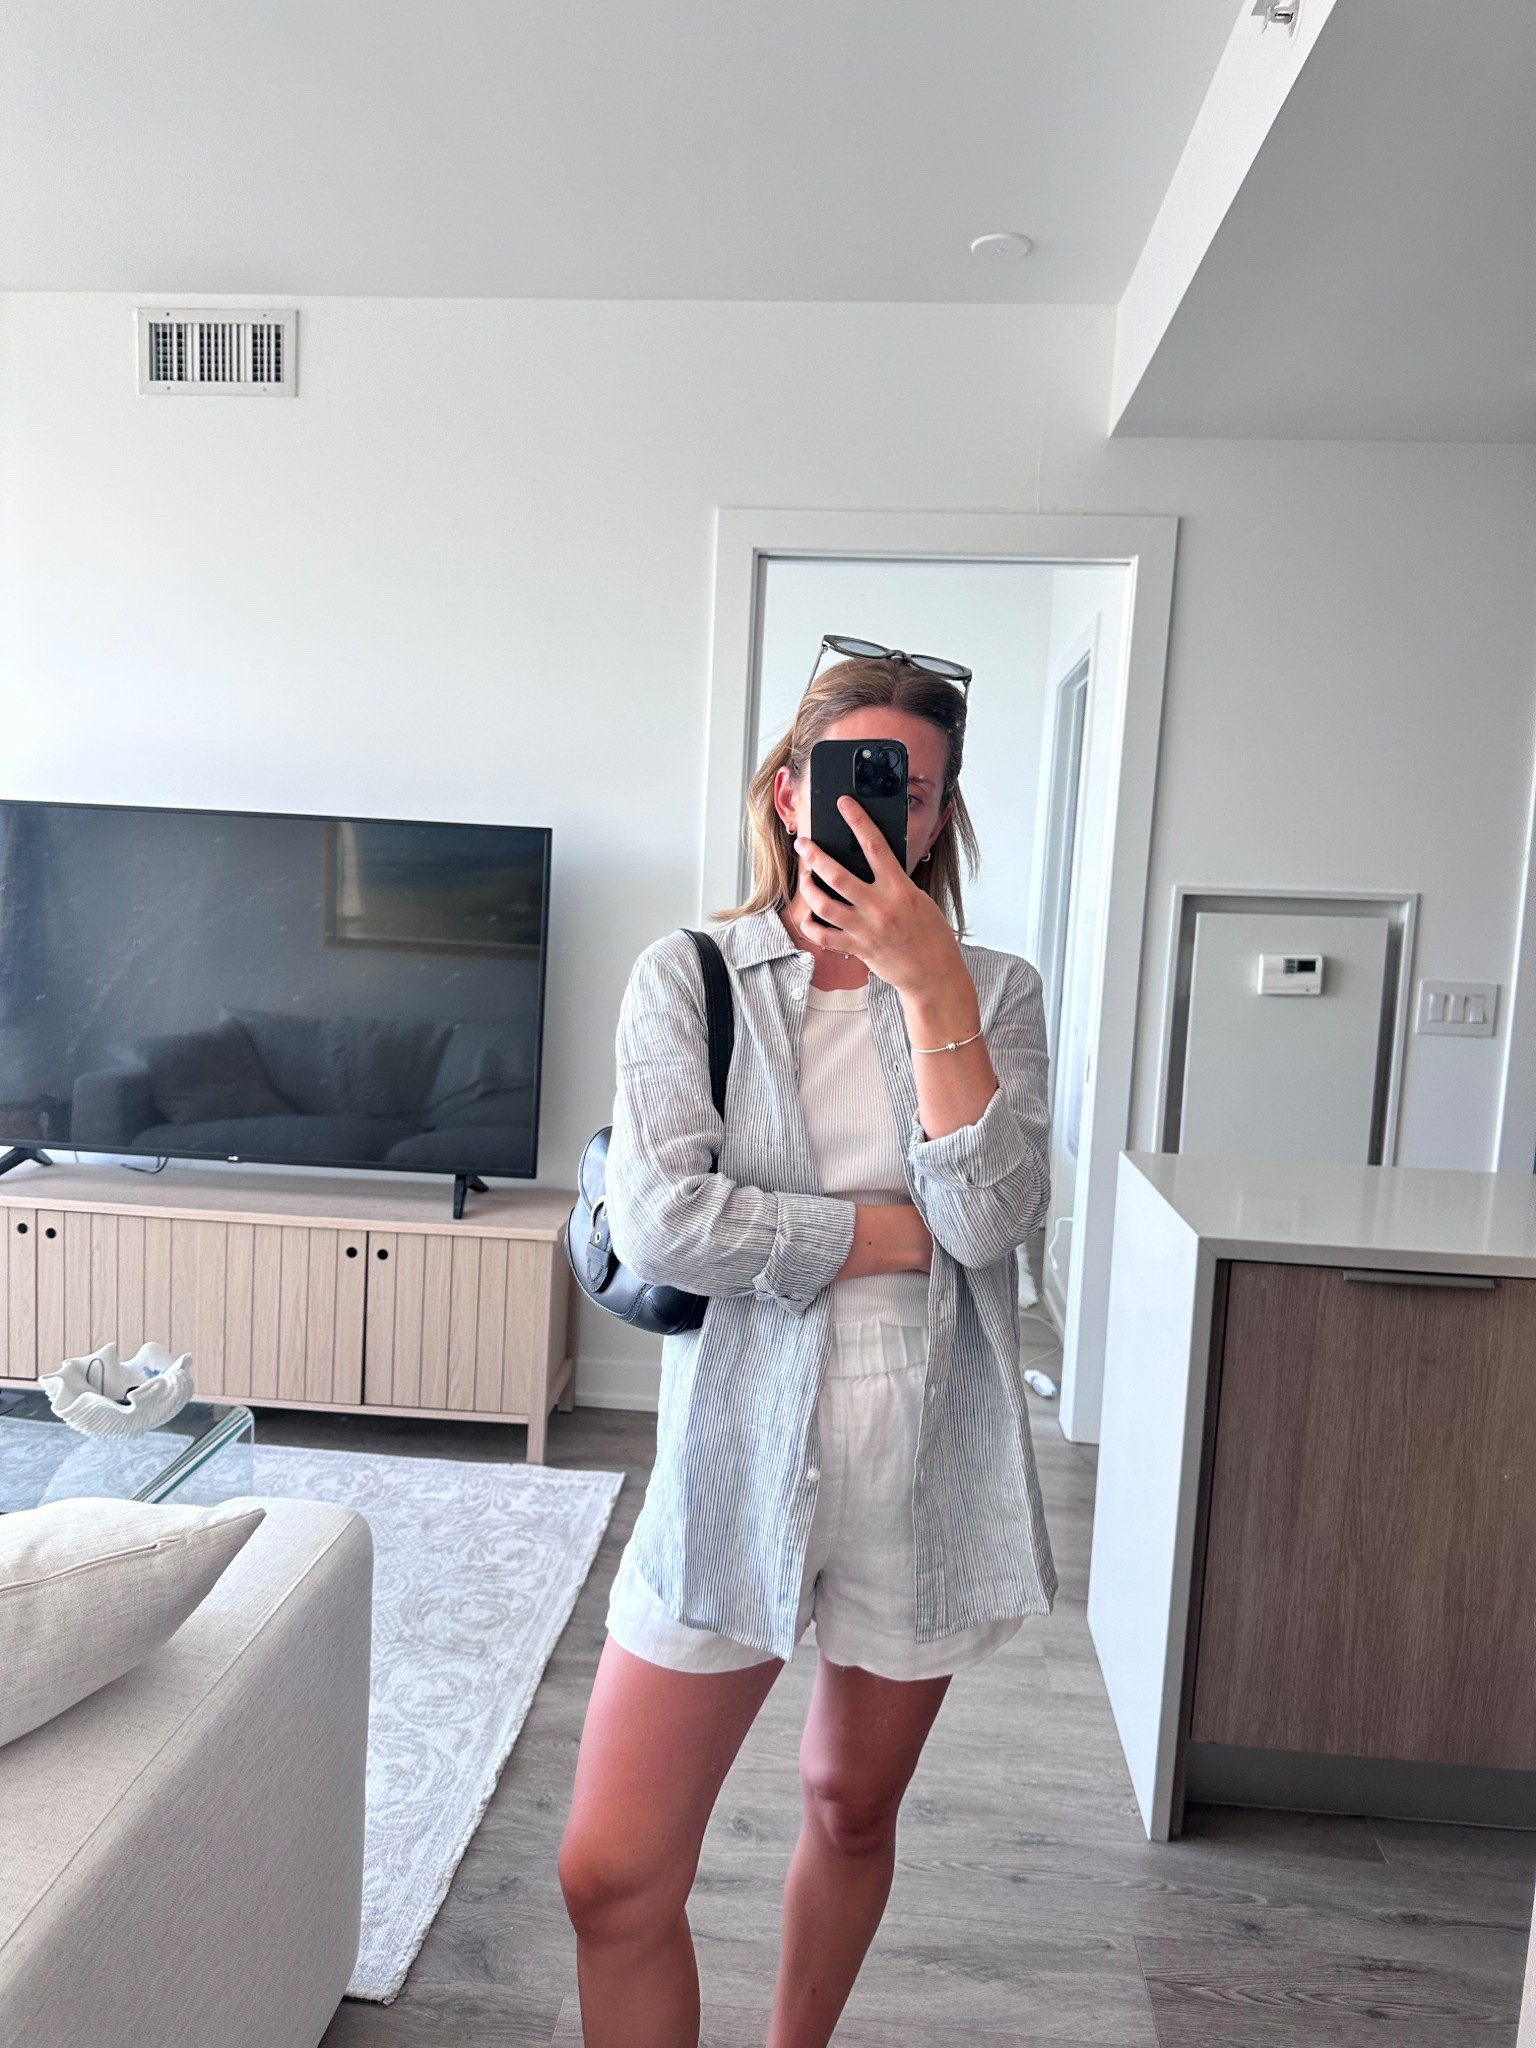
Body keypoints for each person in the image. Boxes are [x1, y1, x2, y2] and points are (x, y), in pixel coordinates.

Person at [557, 648, 1056, 2048]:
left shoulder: (995, 991)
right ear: (789, 792)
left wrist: (932, 990)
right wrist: (884, 1237)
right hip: (734, 1445)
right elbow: (664, 1223)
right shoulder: (689, 975)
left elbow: (995, 1219)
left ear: (940, 817)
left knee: (850, 1807)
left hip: (925, 1452)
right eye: (851, 778)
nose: (885, 812)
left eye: (917, 792)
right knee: (609, 1875)